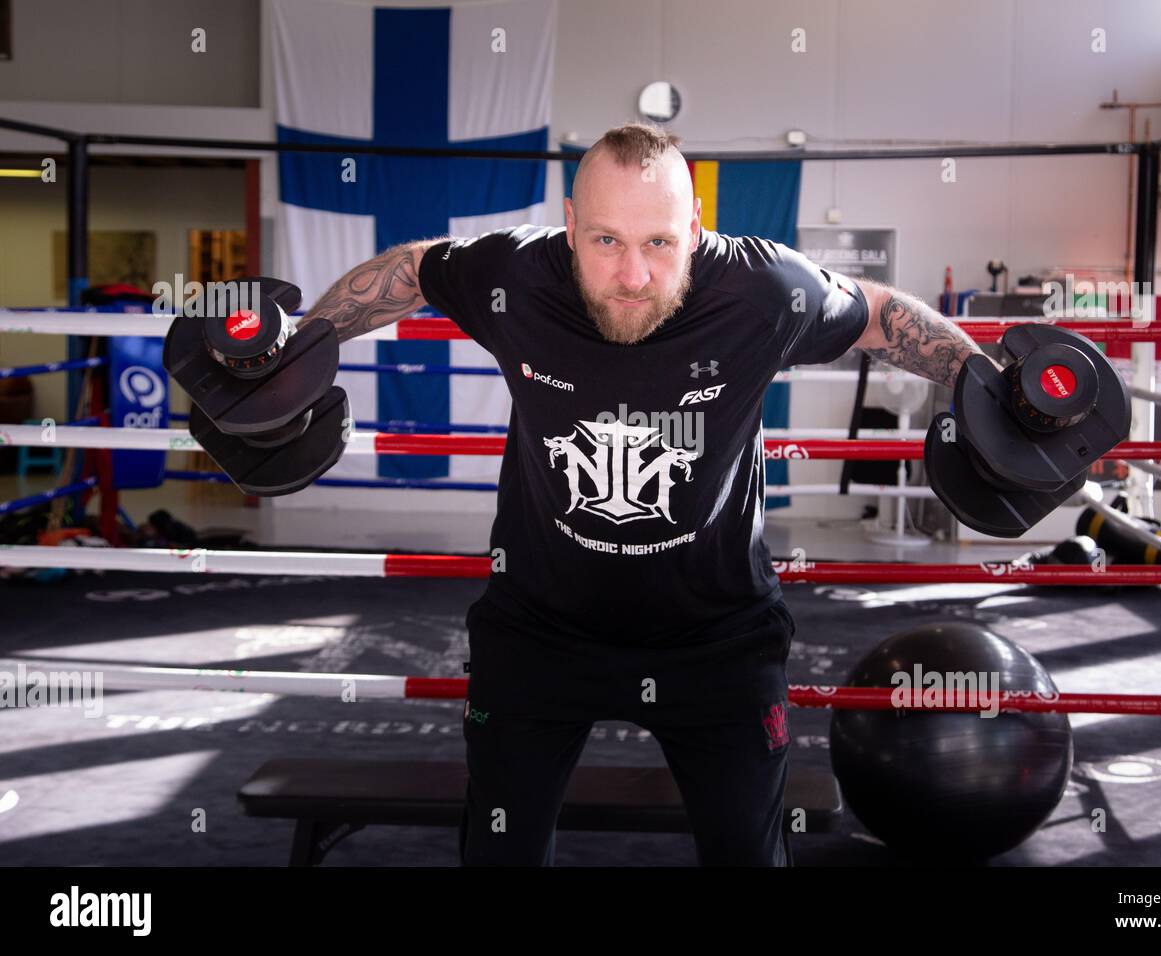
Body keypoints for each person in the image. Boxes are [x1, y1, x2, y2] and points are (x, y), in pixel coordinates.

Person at [304, 122, 981, 866]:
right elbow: (409, 271)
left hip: (716, 637)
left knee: (749, 859)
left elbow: (880, 317)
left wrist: (990, 389)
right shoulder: (513, 278)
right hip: (539, 631)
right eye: (605, 242)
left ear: (695, 228)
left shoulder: (763, 292)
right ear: (568, 227)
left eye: (658, 243)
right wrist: (300, 351)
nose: (632, 275)